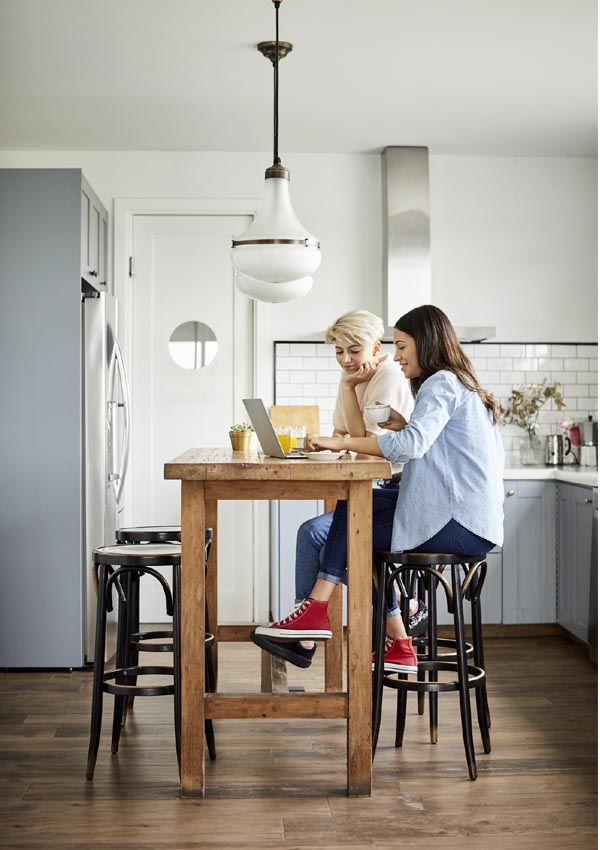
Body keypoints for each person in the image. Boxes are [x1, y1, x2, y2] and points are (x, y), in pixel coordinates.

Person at [252, 304, 504, 674]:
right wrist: (403, 425)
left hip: (457, 521)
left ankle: (317, 612)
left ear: (425, 342)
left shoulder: (441, 382)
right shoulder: (455, 382)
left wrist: (340, 443)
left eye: (401, 346)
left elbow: (410, 447)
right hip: (460, 515)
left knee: (354, 523)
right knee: (354, 507)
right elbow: (432, 444)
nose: (397, 356)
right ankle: (388, 637)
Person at [252, 310, 416, 669]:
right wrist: (333, 438)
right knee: (314, 533)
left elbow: (367, 447)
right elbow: (344, 434)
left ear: (376, 348)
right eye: (339, 351)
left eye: (354, 350)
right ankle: (307, 630)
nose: (345, 360)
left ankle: (313, 629)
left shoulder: (387, 377)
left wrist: (346, 392)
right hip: (369, 487)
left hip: (391, 490)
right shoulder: (354, 376)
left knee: (327, 536)